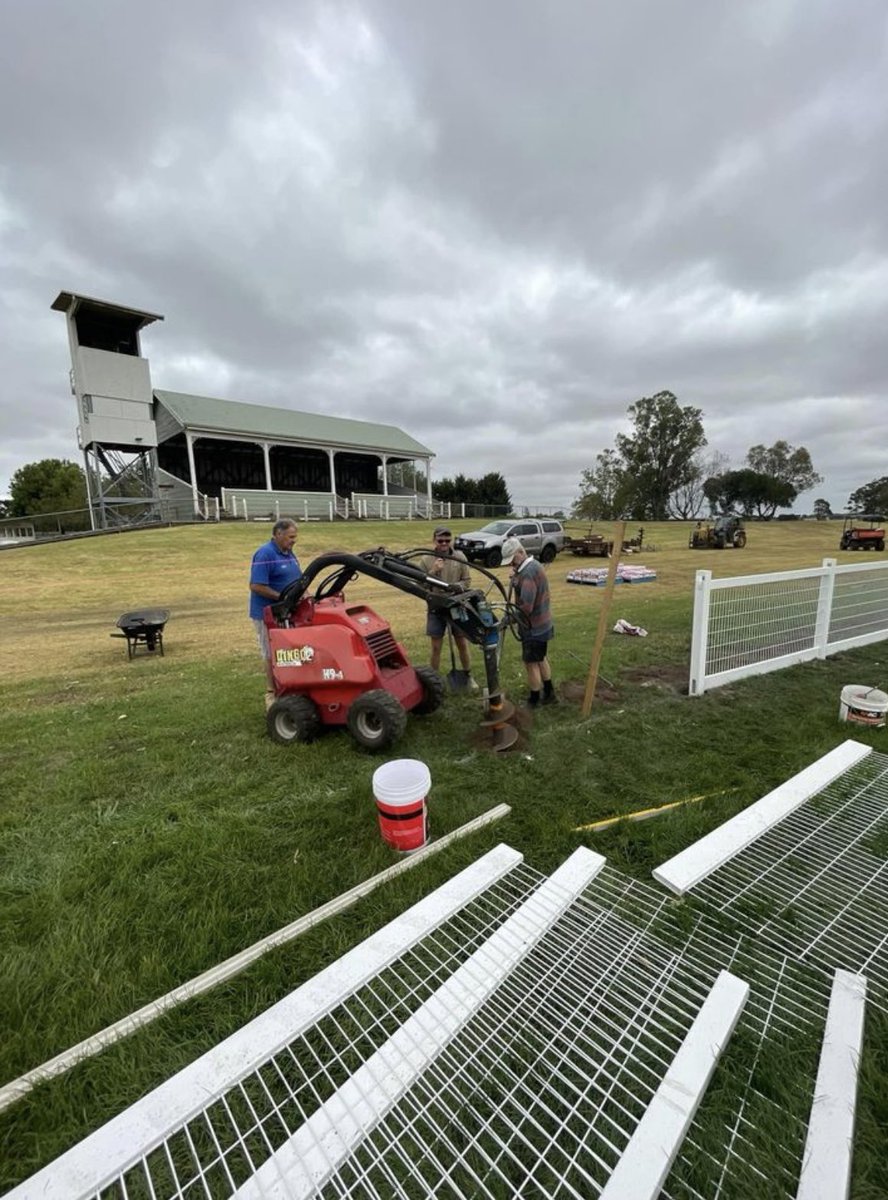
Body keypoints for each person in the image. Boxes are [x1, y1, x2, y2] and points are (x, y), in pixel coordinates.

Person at [249, 518, 303, 708]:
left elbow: (298, 579)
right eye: (291, 537)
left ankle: (290, 686)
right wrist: (283, 597)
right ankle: (271, 694)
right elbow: (255, 585)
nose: (294, 540)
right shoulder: (265, 554)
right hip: (267, 614)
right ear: (278, 534)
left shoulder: (289, 553)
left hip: (287, 611)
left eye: (295, 537)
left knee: (289, 651)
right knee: (271, 652)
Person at [501, 536, 556, 707]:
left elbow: (525, 609)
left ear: (520, 552)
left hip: (534, 628)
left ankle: (534, 700)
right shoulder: (533, 566)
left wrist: (507, 619)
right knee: (541, 658)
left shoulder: (528, 574)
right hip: (544, 624)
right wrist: (516, 577)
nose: (511, 564)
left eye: (513, 560)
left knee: (531, 663)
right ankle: (549, 693)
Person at [420, 526, 475, 687]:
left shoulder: (459, 557)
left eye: (447, 540)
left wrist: (458, 586)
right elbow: (420, 584)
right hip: (436, 607)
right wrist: (433, 571)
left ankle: (468, 676)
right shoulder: (426, 559)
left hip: (457, 605)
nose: (444, 543)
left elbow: (467, 580)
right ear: (434, 541)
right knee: (436, 647)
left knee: (462, 643)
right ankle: (434, 682)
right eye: (440, 540)